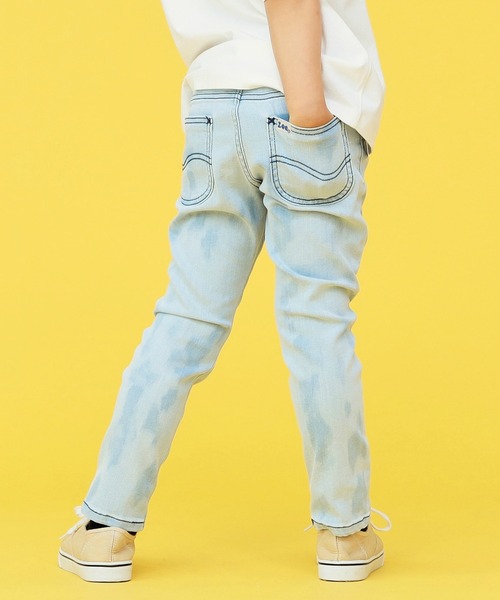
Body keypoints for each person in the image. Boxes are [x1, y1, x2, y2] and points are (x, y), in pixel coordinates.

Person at [58, 0, 391, 583]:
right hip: (299, 96)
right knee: (317, 321)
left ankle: (104, 529)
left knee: (186, 319)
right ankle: (344, 533)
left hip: (214, 110)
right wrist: (310, 113)